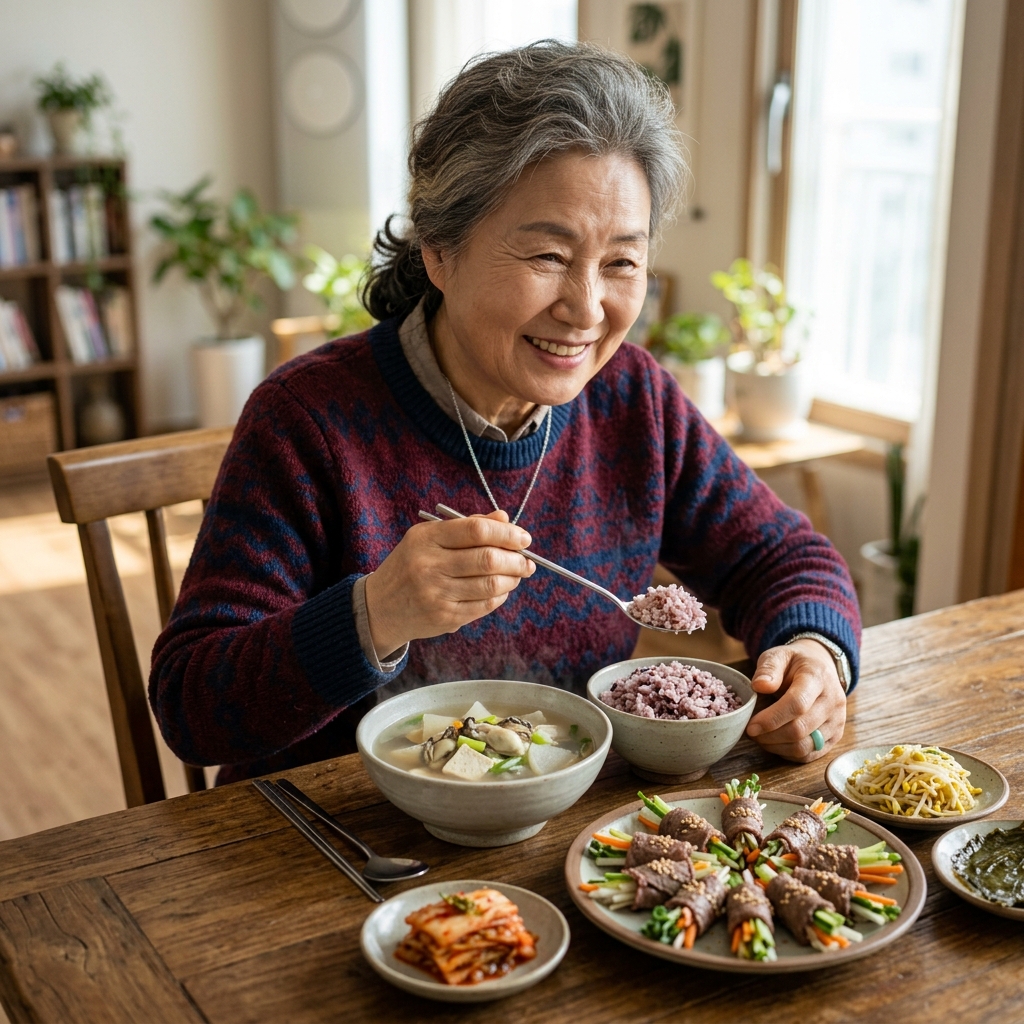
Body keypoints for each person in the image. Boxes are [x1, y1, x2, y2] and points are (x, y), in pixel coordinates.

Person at [150, 41, 860, 784]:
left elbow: (781, 556)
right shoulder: (308, 421)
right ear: (439, 250)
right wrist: (375, 614)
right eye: (548, 256)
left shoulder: (633, 399)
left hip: (572, 826)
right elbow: (191, 704)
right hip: (343, 833)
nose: (587, 309)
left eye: (621, 262)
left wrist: (813, 652)